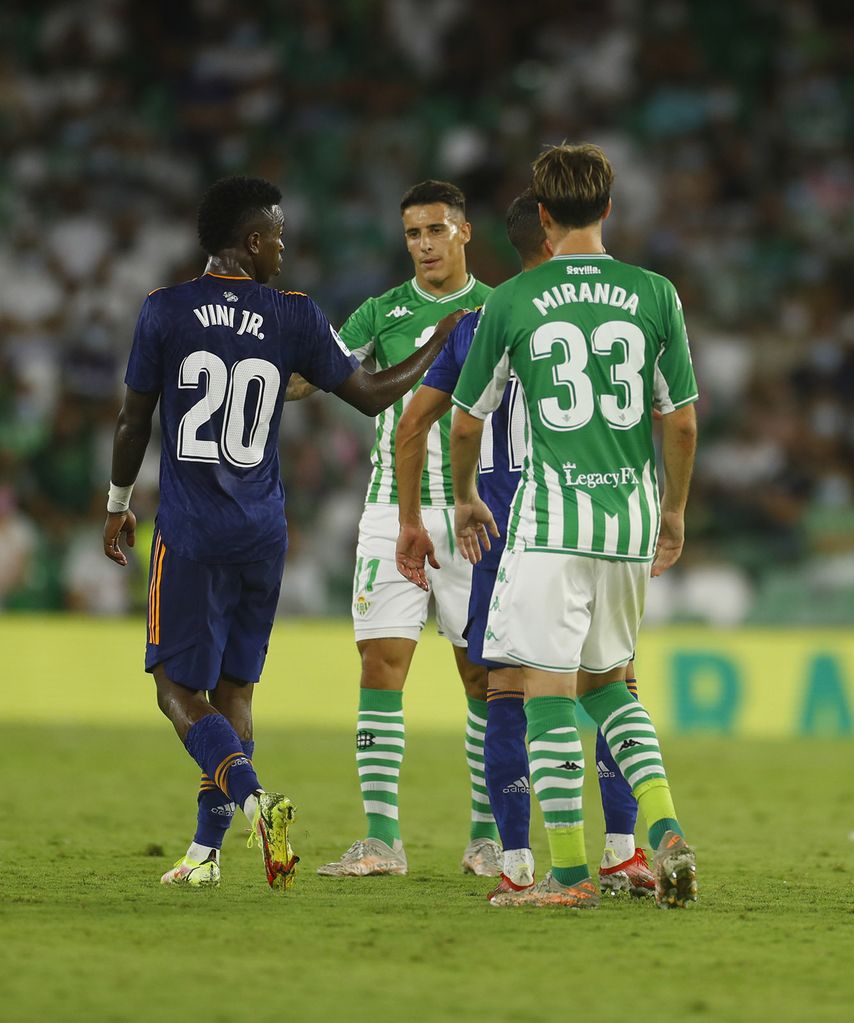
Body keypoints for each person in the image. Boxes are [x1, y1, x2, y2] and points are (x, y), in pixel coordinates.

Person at [103, 175, 452, 889]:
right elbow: (372, 394)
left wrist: (116, 502)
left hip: (191, 529)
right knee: (235, 689)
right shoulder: (292, 315)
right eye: (279, 236)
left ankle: (254, 797)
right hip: (262, 530)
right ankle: (205, 854)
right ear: (252, 240)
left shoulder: (164, 311)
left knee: (175, 690)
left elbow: (134, 418)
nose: (285, 249)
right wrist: (441, 343)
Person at [449, 143, 699, 909]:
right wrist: (675, 510)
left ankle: (565, 877)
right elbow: (681, 422)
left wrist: (464, 497)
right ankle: (663, 829)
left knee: (548, 693)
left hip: (551, 526)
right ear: (610, 210)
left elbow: (466, 423)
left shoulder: (515, 300)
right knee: (611, 687)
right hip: (626, 527)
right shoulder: (655, 293)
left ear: (546, 217)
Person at [392, 191, 656, 899]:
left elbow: (418, 424)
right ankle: (625, 850)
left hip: (503, 528)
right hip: (594, 518)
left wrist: (421, 513)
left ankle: (516, 863)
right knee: (611, 679)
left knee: (505, 689)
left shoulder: (480, 321)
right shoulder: (619, 307)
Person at [304, 181, 501, 879]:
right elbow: (311, 376)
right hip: (392, 510)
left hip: (475, 510)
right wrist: (283, 355)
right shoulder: (382, 311)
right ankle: (383, 839)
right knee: (381, 666)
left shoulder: (496, 309)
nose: (424, 244)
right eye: (413, 232)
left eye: (436, 230)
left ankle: (487, 836)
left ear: (465, 232)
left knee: (482, 676)